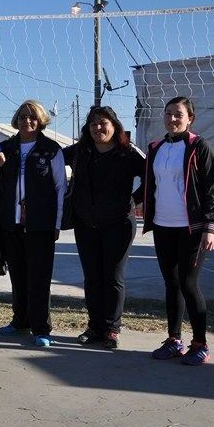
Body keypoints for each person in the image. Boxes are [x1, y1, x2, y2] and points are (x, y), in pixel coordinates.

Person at [143, 96, 214, 366]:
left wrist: (209, 228)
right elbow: (150, 184)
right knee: (171, 283)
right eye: (168, 113)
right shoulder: (156, 147)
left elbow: (211, 189)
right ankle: (174, 340)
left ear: (190, 119)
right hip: (162, 225)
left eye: (178, 114)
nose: (172, 119)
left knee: (188, 283)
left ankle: (200, 344)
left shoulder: (199, 146)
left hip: (191, 228)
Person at [62, 106, 145, 349]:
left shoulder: (127, 153)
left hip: (119, 225)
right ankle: (95, 326)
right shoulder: (80, 151)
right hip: (86, 224)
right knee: (92, 277)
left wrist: (134, 200)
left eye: (103, 123)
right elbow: (51, 156)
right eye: (93, 124)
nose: (98, 128)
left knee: (113, 277)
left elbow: (151, 176)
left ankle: (112, 328)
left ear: (114, 126)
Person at [0, 100, 66, 347]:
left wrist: (57, 223)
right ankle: (20, 321)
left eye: (33, 116)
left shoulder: (51, 150)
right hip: (11, 225)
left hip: (41, 226)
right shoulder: (5, 148)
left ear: (41, 120)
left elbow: (60, 188)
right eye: (23, 116)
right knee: (18, 277)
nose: (27, 121)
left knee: (39, 279)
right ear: (17, 119)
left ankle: (41, 328)